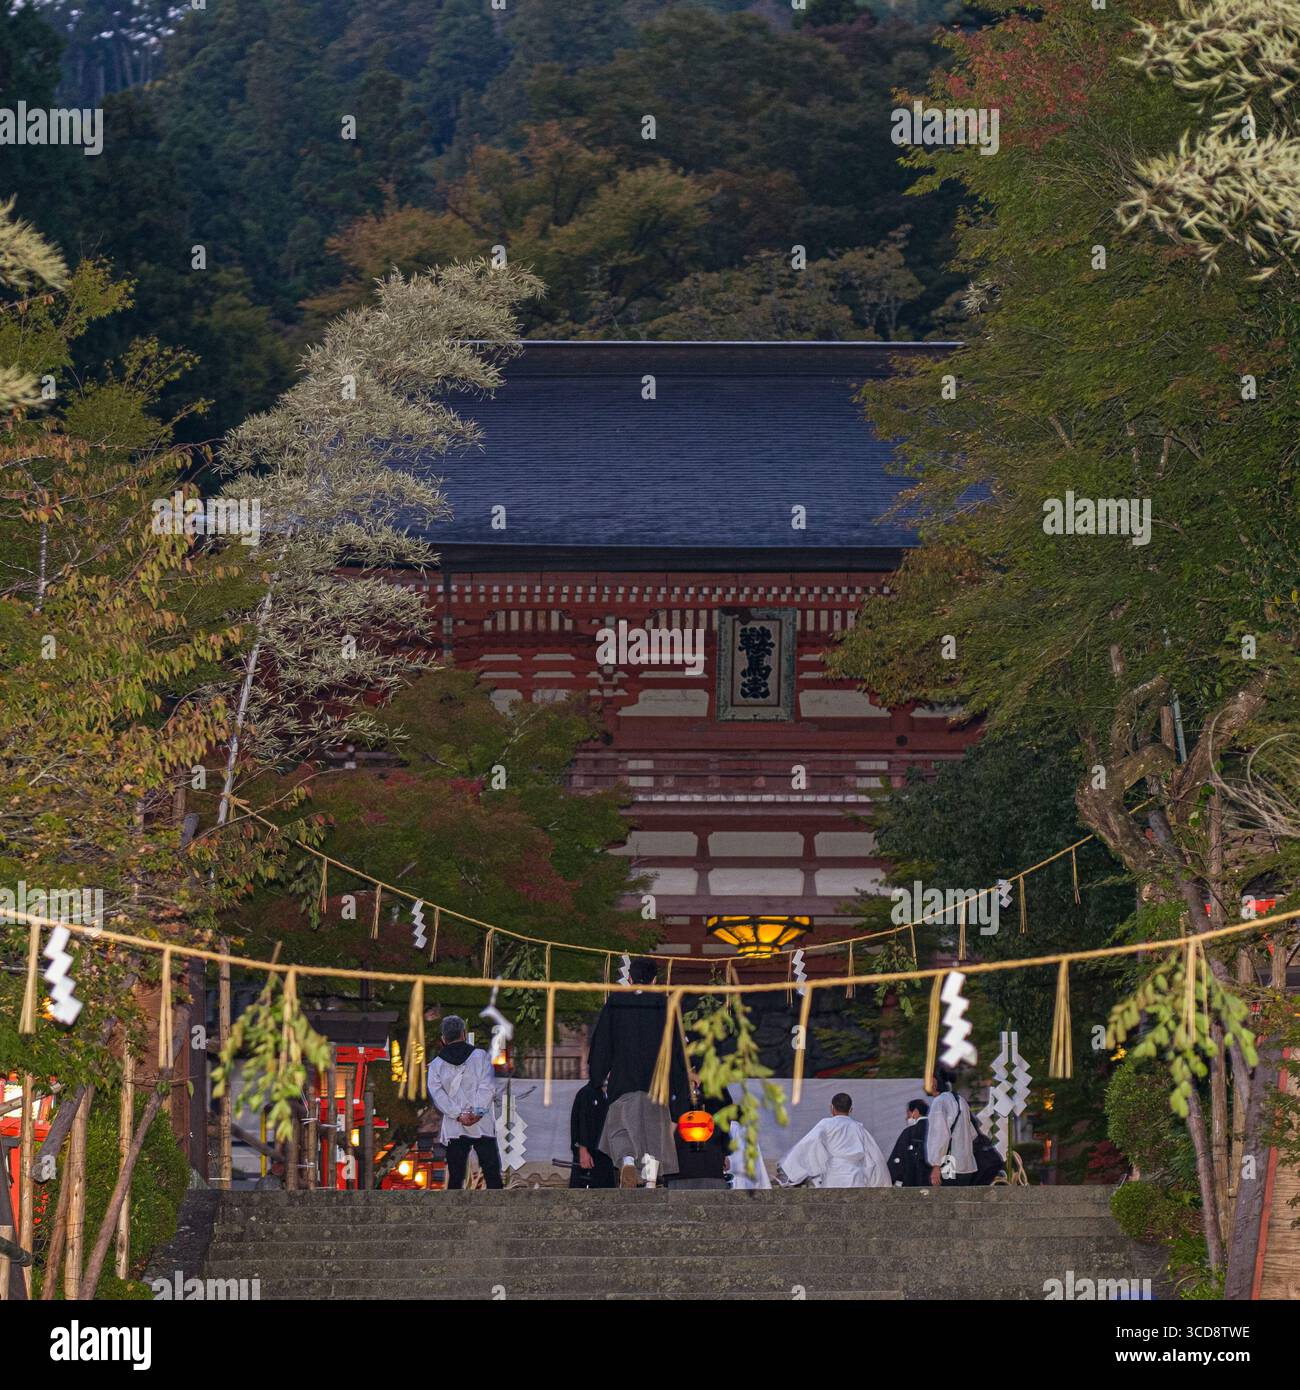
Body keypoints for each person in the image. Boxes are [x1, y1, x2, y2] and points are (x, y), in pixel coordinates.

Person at [587, 956, 689, 1188]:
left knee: (620, 1128)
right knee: (654, 1134)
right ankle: (651, 1181)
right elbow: (676, 1051)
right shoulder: (666, 1006)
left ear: (630, 978)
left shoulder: (616, 1003)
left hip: (624, 1080)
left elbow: (602, 1044)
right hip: (658, 1085)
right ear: (654, 980)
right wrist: (678, 1089)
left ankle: (627, 1160)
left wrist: (598, 1076)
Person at [427, 1015, 503, 1190]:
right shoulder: (480, 1056)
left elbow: (437, 1094)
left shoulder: (436, 1065)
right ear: (463, 1033)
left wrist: (458, 1114)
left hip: (455, 1123)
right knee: (491, 1171)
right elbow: (487, 1086)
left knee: (456, 1173)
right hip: (481, 1120)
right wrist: (476, 1112)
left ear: (443, 1038)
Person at [778, 1092, 889, 1188]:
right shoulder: (859, 1128)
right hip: (856, 1176)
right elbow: (874, 1156)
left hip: (833, 1176)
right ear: (851, 1109)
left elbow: (807, 1144)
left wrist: (789, 1169)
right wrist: (880, 1182)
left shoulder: (826, 1124)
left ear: (831, 1107)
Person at [925, 1068, 978, 1187]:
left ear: (934, 1081)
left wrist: (936, 1165)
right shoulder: (961, 1100)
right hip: (966, 1165)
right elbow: (972, 1134)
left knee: (945, 1204)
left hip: (949, 1166)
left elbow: (940, 1136)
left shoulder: (939, 1102)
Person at [569, 1079, 617, 1189]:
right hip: (589, 1157)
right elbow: (580, 1123)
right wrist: (583, 1150)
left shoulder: (610, 1094)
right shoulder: (586, 1093)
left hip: (607, 1158)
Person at [886, 1098, 930, 1187]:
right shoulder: (935, 1129)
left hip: (911, 1180)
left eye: (908, 1113)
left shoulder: (909, 1132)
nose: (906, 1117)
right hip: (931, 1180)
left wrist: (894, 1178)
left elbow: (899, 1156)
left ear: (916, 1112)